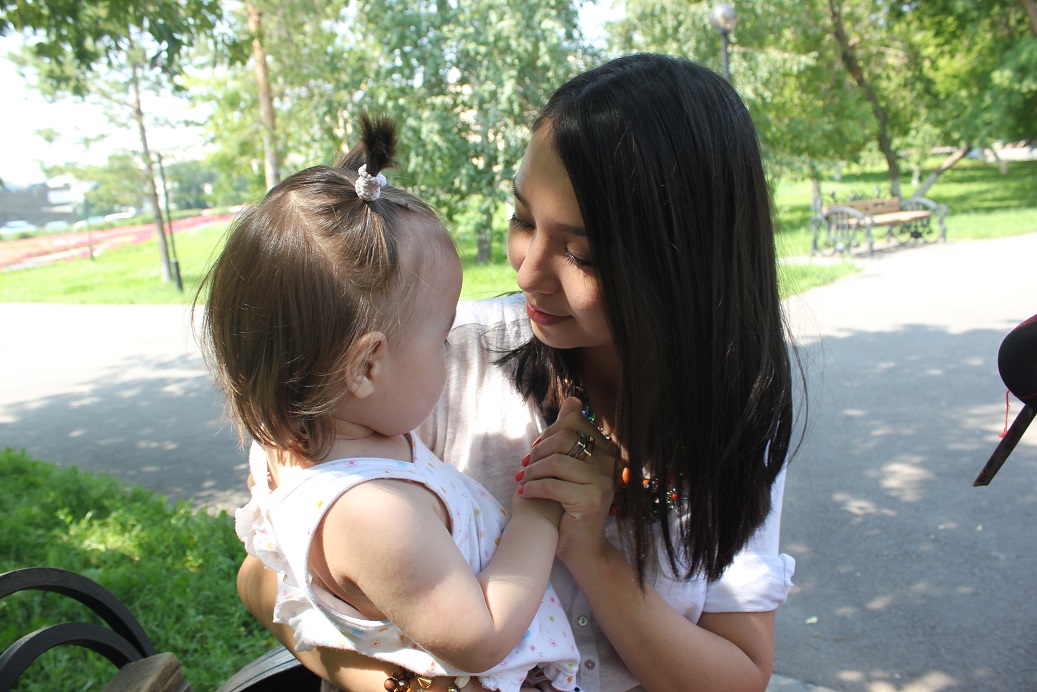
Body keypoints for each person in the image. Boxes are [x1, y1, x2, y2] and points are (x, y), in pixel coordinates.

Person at [237, 53, 799, 691]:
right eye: (523, 220)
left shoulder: (735, 408)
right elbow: (264, 577)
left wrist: (591, 551)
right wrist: (410, 687)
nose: (528, 272)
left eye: (582, 253)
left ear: (683, 266)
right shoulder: (427, 360)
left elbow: (738, 674)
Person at [197, 114, 581, 692]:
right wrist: (540, 509)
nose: (452, 352)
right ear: (367, 366)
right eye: (442, 340)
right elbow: (481, 637)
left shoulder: (308, 453)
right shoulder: (373, 513)